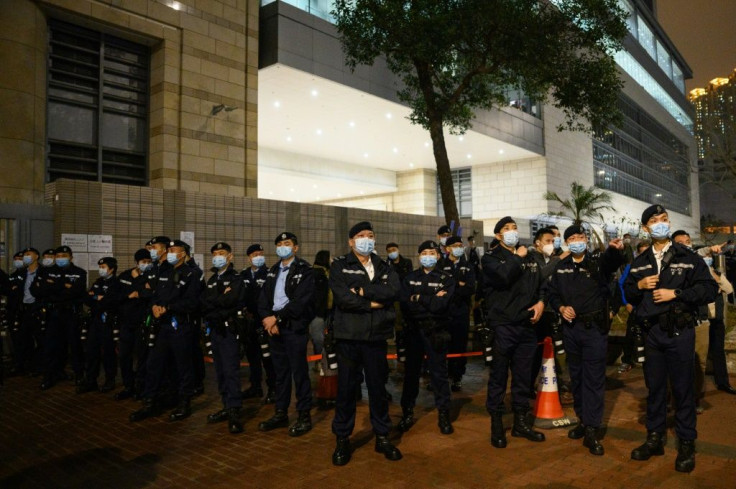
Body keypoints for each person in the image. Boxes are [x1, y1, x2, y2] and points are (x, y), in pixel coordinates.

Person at [624, 205, 717, 473]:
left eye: (664, 220)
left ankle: (687, 442)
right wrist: (639, 286)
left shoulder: (686, 256)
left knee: (683, 390)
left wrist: (676, 294)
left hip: (679, 332)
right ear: (645, 228)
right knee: (654, 390)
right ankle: (655, 438)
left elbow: (708, 289)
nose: (660, 224)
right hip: (653, 334)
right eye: (654, 221)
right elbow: (628, 293)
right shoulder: (640, 262)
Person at [546, 225, 624, 455]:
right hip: (571, 329)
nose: (577, 240)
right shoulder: (561, 267)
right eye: (572, 238)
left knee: (593, 379)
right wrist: (560, 307)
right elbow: (552, 294)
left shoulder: (597, 262)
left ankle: (592, 427)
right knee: (577, 378)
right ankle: (582, 420)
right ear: (567, 242)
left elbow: (612, 263)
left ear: (586, 240)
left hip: (594, 330)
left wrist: (614, 250)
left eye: (581, 237)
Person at [330, 221, 402, 466]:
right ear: (351, 241)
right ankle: (342, 439)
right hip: (348, 338)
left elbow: (394, 292)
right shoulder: (340, 265)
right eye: (360, 236)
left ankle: (382, 436)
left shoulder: (384, 266)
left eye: (370, 235)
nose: (366, 239)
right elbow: (343, 299)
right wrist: (372, 302)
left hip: (376, 338)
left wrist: (362, 292)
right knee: (347, 390)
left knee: (378, 390)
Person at [482, 216, 546, 448]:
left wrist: (541, 302)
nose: (512, 232)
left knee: (522, 377)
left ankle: (520, 422)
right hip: (502, 326)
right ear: (498, 235)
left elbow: (541, 284)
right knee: (499, 377)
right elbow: (502, 276)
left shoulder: (529, 257)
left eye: (514, 228)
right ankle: (497, 423)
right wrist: (516, 257)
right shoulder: (490, 259)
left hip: (526, 325)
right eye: (507, 229)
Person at [130, 240, 203, 422]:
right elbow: (156, 294)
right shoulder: (165, 271)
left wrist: (168, 307)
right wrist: (155, 305)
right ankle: (149, 402)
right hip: (161, 326)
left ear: (183, 253)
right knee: (154, 364)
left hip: (180, 325)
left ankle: (184, 403)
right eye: (168, 250)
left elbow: (193, 302)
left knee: (183, 366)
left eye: (173, 250)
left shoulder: (192, 274)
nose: (170, 253)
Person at [257, 232, 315, 437]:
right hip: (274, 329)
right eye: (279, 243)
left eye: (287, 243)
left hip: (293, 328)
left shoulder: (305, 270)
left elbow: (301, 302)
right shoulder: (273, 271)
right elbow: (263, 299)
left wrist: (277, 319)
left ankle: (303, 415)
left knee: (299, 373)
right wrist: (267, 319)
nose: (283, 246)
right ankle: (280, 413)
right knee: (280, 374)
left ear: (295, 247)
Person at [399, 239, 456, 435]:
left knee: (439, 374)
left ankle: (444, 414)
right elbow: (405, 305)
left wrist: (419, 298)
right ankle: (407, 412)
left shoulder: (446, 279)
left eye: (432, 253)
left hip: (436, 331)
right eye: (424, 253)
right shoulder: (410, 278)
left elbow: (442, 306)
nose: (428, 256)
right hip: (414, 331)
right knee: (411, 374)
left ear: (438, 256)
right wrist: (431, 299)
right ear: (418, 256)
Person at [201, 242, 245, 434]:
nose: (217, 256)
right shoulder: (211, 279)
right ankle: (226, 406)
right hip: (215, 330)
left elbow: (232, 301)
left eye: (221, 253)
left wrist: (215, 301)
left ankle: (235, 411)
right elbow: (203, 303)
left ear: (230, 256)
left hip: (229, 330)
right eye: (215, 253)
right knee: (219, 371)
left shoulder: (236, 278)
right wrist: (219, 298)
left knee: (231, 371)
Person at [36, 246, 87, 390]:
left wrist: (55, 287)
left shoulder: (79, 273)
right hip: (53, 314)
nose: (60, 258)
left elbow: (77, 292)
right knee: (51, 346)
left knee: (75, 346)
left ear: (70, 257)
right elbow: (42, 291)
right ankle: (49, 376)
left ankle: (79, 375)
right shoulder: (48, 272)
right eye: (57, 256)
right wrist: (64, 286)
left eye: (63, 255)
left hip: (71, 314)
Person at [78, 257, 123, 394]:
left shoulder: (116, 284)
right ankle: (91, 380)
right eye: (100, 267)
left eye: (103, 267)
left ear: (112, 269)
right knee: (92, 351)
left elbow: (110, 302)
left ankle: (110, 379)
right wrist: (98, 298)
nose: (101, 269)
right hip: (95, 321)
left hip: (108, 322)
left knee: (108, 352)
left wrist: (97, 298)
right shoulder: (98, 282)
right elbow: (86, 298)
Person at [115, 249, 153, 400]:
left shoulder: (150, 277)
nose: (146, 265)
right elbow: (116, 295)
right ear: (136, 263)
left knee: (142, 356)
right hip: (126, 323)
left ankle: (140, 386)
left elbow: (151, 294)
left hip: (142, 323)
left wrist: (139, 292)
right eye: (144, 262)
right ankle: (128, 385)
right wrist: (130, 295)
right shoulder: (124, 276)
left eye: (149, 262)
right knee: (124, 356)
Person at [240, 243, 276, 403]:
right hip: (249, 322)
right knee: (252, 356)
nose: (258, 257)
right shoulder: (244, 275)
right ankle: (255, 386)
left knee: (267, 357)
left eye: (261, 253)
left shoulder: (269, 274)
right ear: (249, 257)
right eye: (255, 254)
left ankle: (273, 388)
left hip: (264, 321)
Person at [441, 236, 475, 391]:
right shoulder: (440, 265)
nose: (459, 248)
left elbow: (470, 288)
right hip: (443, 312)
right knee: (442, 345)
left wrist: (453, 285)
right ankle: (442, 376)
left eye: (460, 245)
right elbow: (439, 288)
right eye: (455, 245)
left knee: (459, 345)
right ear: (447, 248)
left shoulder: (467, 266)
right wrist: (458, 283)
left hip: (461, 312)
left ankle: (457, 376)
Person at [701, 249, 735, 395]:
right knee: (698, 354)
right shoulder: (696, 274)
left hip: (716, 318)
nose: (707, 259)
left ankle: (723, 382)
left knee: (718, 351)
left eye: (709, 257)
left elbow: (728, 289)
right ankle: (697, 387)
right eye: (705, 256)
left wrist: (716, 277)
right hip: (701, 318)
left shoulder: (717, 273)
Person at [617, 241, 651, 374]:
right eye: (642, 252)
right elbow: (622, 284)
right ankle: (627, 360)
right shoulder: (632, 266)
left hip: (651, 307)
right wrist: (627, 303)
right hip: (636, 306)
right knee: (630, 334)